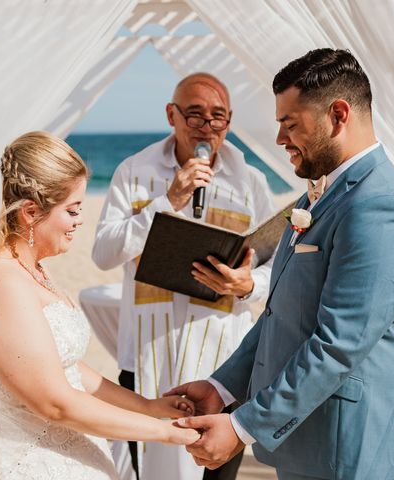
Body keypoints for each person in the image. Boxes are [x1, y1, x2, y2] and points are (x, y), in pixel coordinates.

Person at [168, 49, 394, 480]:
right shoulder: (324, 194)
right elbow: (282, 315)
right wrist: (222, 387)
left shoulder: (381, 206)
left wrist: (242, 427)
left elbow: (337, 343)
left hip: (353, 452)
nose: (279, 140)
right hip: (308, 446)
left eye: (290, 124)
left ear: (338, 115)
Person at [0, 131, 199, 480]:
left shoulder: (32, 268)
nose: (80, 221)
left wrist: (148, 406)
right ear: (30, 212)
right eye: (72, 210)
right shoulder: (4, 283)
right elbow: (53, 402)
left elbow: (65, 366)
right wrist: (165, 433)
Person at [92, 73, 276, 480]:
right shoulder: (133, 172)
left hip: (223, 364)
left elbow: (274, 268)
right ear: (170, 115)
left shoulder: (252, 183)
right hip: (148, 355)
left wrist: (248, 285)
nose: (206, 127)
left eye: (218, 117)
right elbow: (103, 254)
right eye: (194, 115)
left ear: (229, 123)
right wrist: (168, 201)